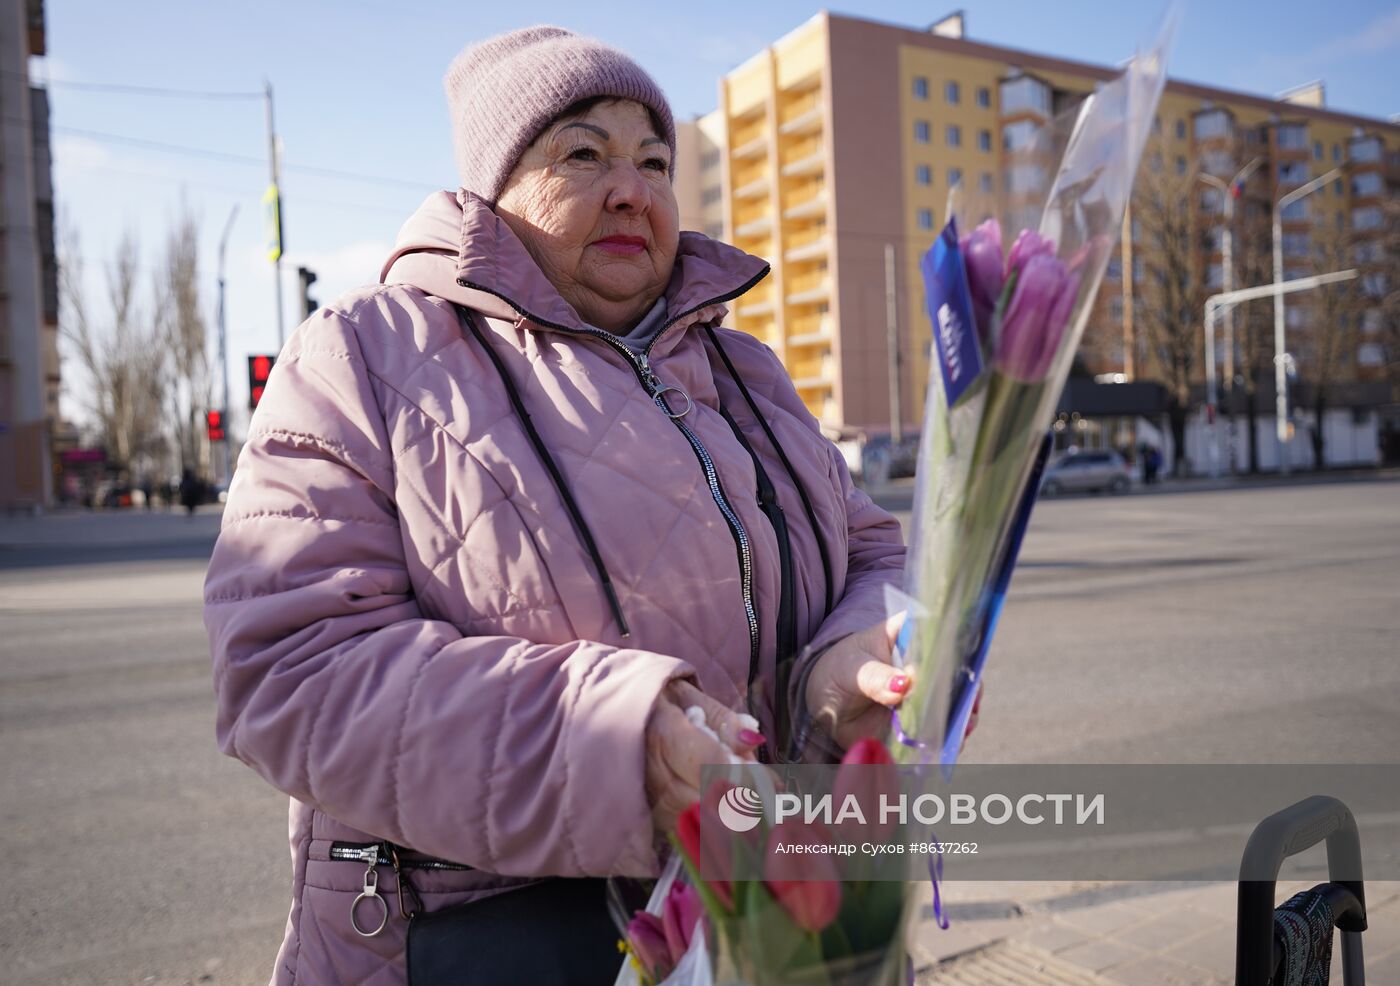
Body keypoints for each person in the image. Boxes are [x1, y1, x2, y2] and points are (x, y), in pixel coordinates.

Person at [204, 26, 924, 986]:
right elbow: (287, 672)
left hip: (783, 912)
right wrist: (611, 743)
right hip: (498, 943)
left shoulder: (742, 369)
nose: (633, 188)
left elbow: (873, 551)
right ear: (493, 190)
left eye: (655, 160)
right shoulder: (363, 360)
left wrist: (857, 656)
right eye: (583, 153)